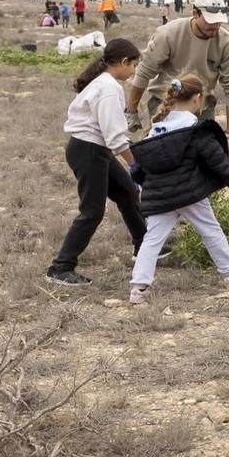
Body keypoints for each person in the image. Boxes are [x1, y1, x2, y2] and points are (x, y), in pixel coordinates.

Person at [127, 76, 229, 304]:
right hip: (189, 193)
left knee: (152, 239)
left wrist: (146, 188)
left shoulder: (154, 130)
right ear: (197, 99)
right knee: (210, 230)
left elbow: (137, 170)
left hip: (160, 195)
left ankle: (139, 288)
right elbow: (218, 162)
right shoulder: (195, 130)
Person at [46, 37, 146, 287]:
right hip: (89, 150)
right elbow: (115, 138)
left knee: (128, 193)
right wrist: (136, 164)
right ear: (123, 62)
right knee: (92, 211)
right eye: (133, 65)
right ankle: (61, 267)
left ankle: (144, 248)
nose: (134, 71)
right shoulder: (109, 88)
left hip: (93, 149)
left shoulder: (103, 82)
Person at [125, 0, 229, 132]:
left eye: (219, 22)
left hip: (201, 106)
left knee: (202, 151)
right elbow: (144, 71)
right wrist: (131, 111)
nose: (215, 26)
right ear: (195, 13)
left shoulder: (228, 45)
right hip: (165, 103)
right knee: (163, 150)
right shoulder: (168, 34)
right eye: (210, 21)